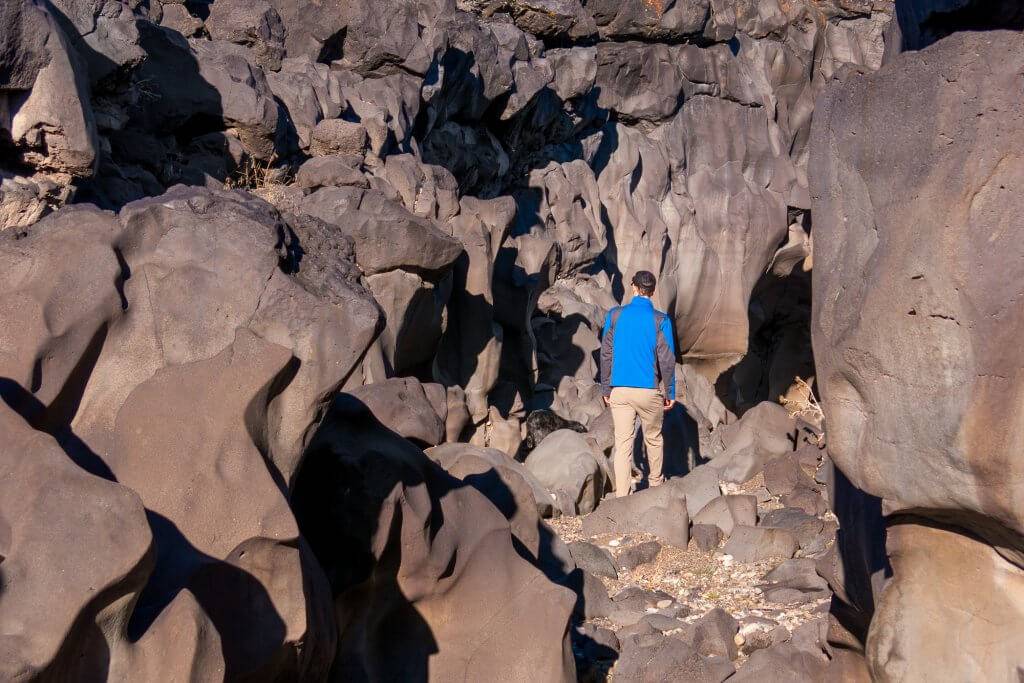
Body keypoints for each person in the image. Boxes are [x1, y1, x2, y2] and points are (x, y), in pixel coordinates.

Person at [599, 270, 677, 497]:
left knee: (623, 445)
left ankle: (622, 496)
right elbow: (667, 358)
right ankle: (655, 488)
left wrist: (606, 387)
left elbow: (606, 353)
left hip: (620, 390)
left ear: (633, 287)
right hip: (648, 390)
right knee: (653, 439)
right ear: (652, 292)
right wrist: (669, 391)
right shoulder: (661, 320)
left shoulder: (614, 315)